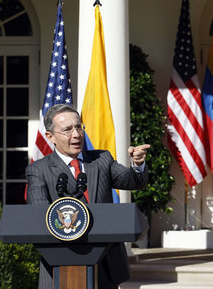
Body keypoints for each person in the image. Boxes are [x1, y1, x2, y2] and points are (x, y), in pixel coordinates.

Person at [26, 104, 151, 289]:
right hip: (61, 267)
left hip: (105, 264)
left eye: (78, 127)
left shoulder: (101, 159)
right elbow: (39, 217)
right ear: (50, 137)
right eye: (67, 130)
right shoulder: (39, 170)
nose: (76, 134)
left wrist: (137, 165)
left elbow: (133, 182)